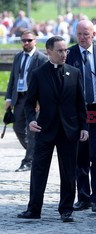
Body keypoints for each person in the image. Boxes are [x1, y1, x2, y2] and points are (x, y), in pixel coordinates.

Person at [17, 36, 88, 222]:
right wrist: (31, 119)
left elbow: (81, 104)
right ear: (49, 51)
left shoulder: (75, 73)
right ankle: (34, 209)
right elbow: (29, 103)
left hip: (69, 130)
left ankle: (66, 210)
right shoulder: (38, 74)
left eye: (66, 50)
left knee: (68, 172)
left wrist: (84, 127)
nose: (64, 54)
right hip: (44, 129)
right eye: (60, 51)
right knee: (39, 171)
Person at [66, 19, 96, 213]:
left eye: (86, 34)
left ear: (94, 35)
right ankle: (84, 197)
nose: (82, 37)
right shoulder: (69, 54)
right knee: (80, 155)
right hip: (78, 112)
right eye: (79, 34)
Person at [5, 30, 47, 172]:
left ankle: (28, 161)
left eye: (29, 40)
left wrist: (40, 101)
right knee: (17, 127)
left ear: (35, 41)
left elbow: (44, 82)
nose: (26, 43)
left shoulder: (41, 58)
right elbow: (13, 78)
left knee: (32, 131)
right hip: (19, 98)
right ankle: (35, 153)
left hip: (34, 100)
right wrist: (9, 98)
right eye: (24, 40)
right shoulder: (18, 57)